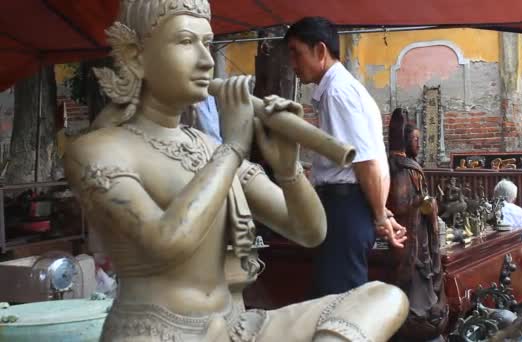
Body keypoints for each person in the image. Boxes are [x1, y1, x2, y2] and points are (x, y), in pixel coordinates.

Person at [64, 1, 409, 341]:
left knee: (383, 297)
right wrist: (232, 149)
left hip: (234, 327)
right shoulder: (98, 149)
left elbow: (311, 232)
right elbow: (164, 243)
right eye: (186, 42)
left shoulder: (206, 147)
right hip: (157, 331)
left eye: (208, 44)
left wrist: (287, 168)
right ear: (136, 55)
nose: (205, 61)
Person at [284, 16, 406, 297]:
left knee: (340, 309)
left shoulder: (338, 93)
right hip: (349, 207)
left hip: (344, 209)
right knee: (336, 302)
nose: (293, 63)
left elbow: (366, 162)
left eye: (296, 53)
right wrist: (380, 212)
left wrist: (378, 216)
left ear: (320, 51)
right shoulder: (342, 90)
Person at [386, 108, 448, 340]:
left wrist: (428, 205)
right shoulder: (401, 169)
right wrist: (423, 202)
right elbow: (401, 205)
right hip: (407, 233)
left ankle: (424, 311)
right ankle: (413, 315)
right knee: (413, 283)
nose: (419, 145)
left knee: (425, 281)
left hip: (420, 234)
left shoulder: (411, 166)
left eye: (420, 140)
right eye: (415, 140)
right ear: (404, 140)